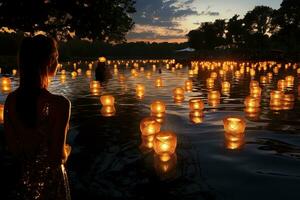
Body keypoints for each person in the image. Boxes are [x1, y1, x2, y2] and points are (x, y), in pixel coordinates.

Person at [4, 35, 71, 200]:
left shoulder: (10, 101)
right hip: (50, 183)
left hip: (24, 180)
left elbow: (13, 148)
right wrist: (66, 152)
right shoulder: (60, 104)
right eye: (56, 58)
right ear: (49, 61)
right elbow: (56, 158)